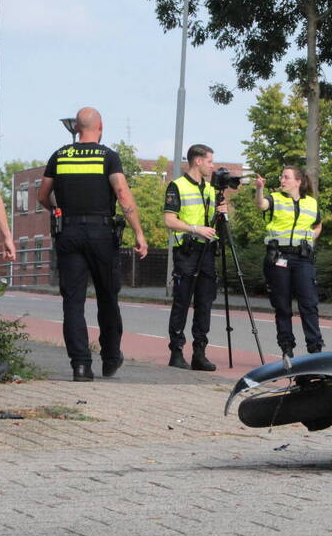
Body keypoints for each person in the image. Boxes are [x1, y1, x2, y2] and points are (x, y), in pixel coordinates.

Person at [36, 108, 149, 382]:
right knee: (107, 297)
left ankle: (81, 366)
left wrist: (59, 210)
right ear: (100, 126)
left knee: (73, 301)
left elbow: (42, 196)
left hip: (69, 233)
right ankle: (110, 358)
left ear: (76, 128)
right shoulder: (107, 156)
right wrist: (138, 232)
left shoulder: (59, 156)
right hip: (101, 232)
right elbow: (122, 193)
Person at [163, 144, 228, 371]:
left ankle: (199, 352)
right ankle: (176, 351)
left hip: (207, 252)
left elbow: (220, 221)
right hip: (187, 252)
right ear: (198, 161)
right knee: (181, 302)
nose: (212, 165)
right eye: (209, 161)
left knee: (205, 303)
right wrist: (195, 228)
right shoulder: (177, 186)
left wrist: (224, 211)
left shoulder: (210, 189)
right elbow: (169, 220)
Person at [254, 166, 323, 357]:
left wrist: (309, 239)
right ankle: (287, 349)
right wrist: (259, 188)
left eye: (286, 177)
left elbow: (318, 225)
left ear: (298, 181)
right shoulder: (275, 198)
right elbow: (261, 205)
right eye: (281, 177)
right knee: (282, 306)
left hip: (302, 259)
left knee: (309, 304)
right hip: (279, 258)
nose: (282, 180)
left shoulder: (311, 203)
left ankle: (315, 349)